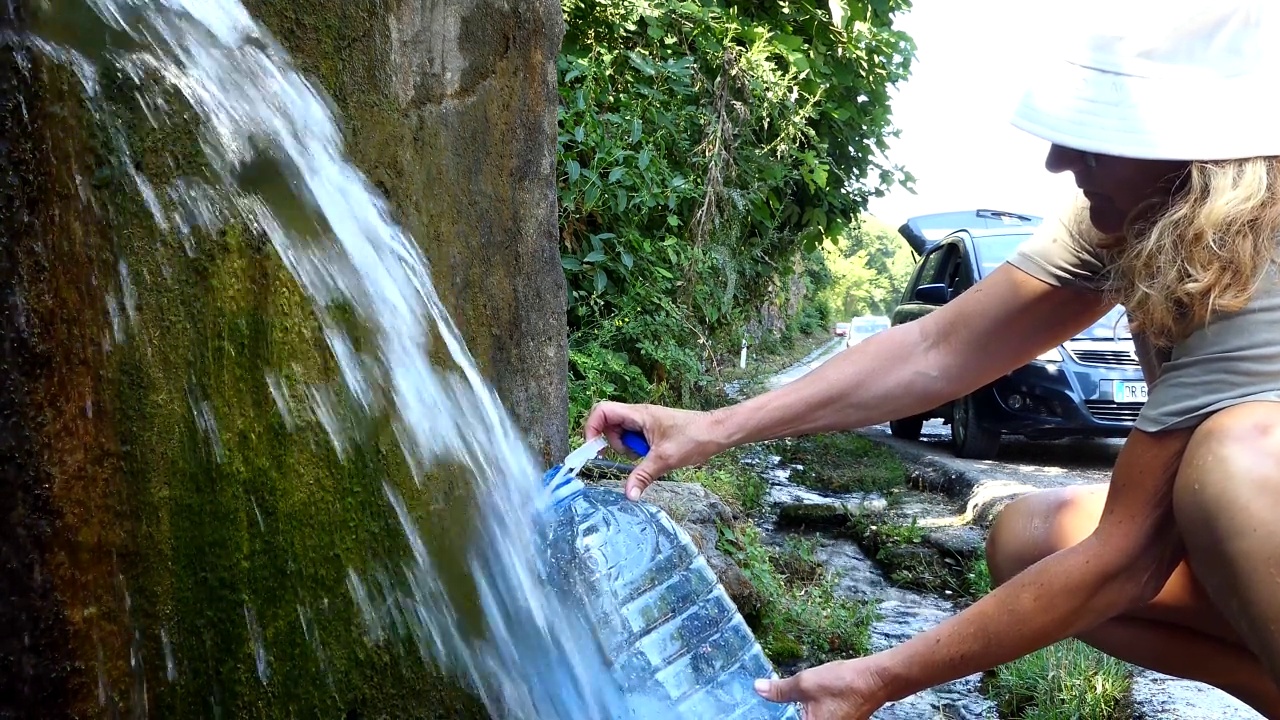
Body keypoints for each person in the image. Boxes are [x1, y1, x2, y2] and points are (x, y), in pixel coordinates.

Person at [585, 3, 1280, 718]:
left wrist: (880, 677)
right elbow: (936, 347)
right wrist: (711, 427)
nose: (1058, 161)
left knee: (1235, 460)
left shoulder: (1263, 251)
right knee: (1027, 541)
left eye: (1095, 141)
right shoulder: (1140, 212)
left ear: (1203, 149)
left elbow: (1129, 556)